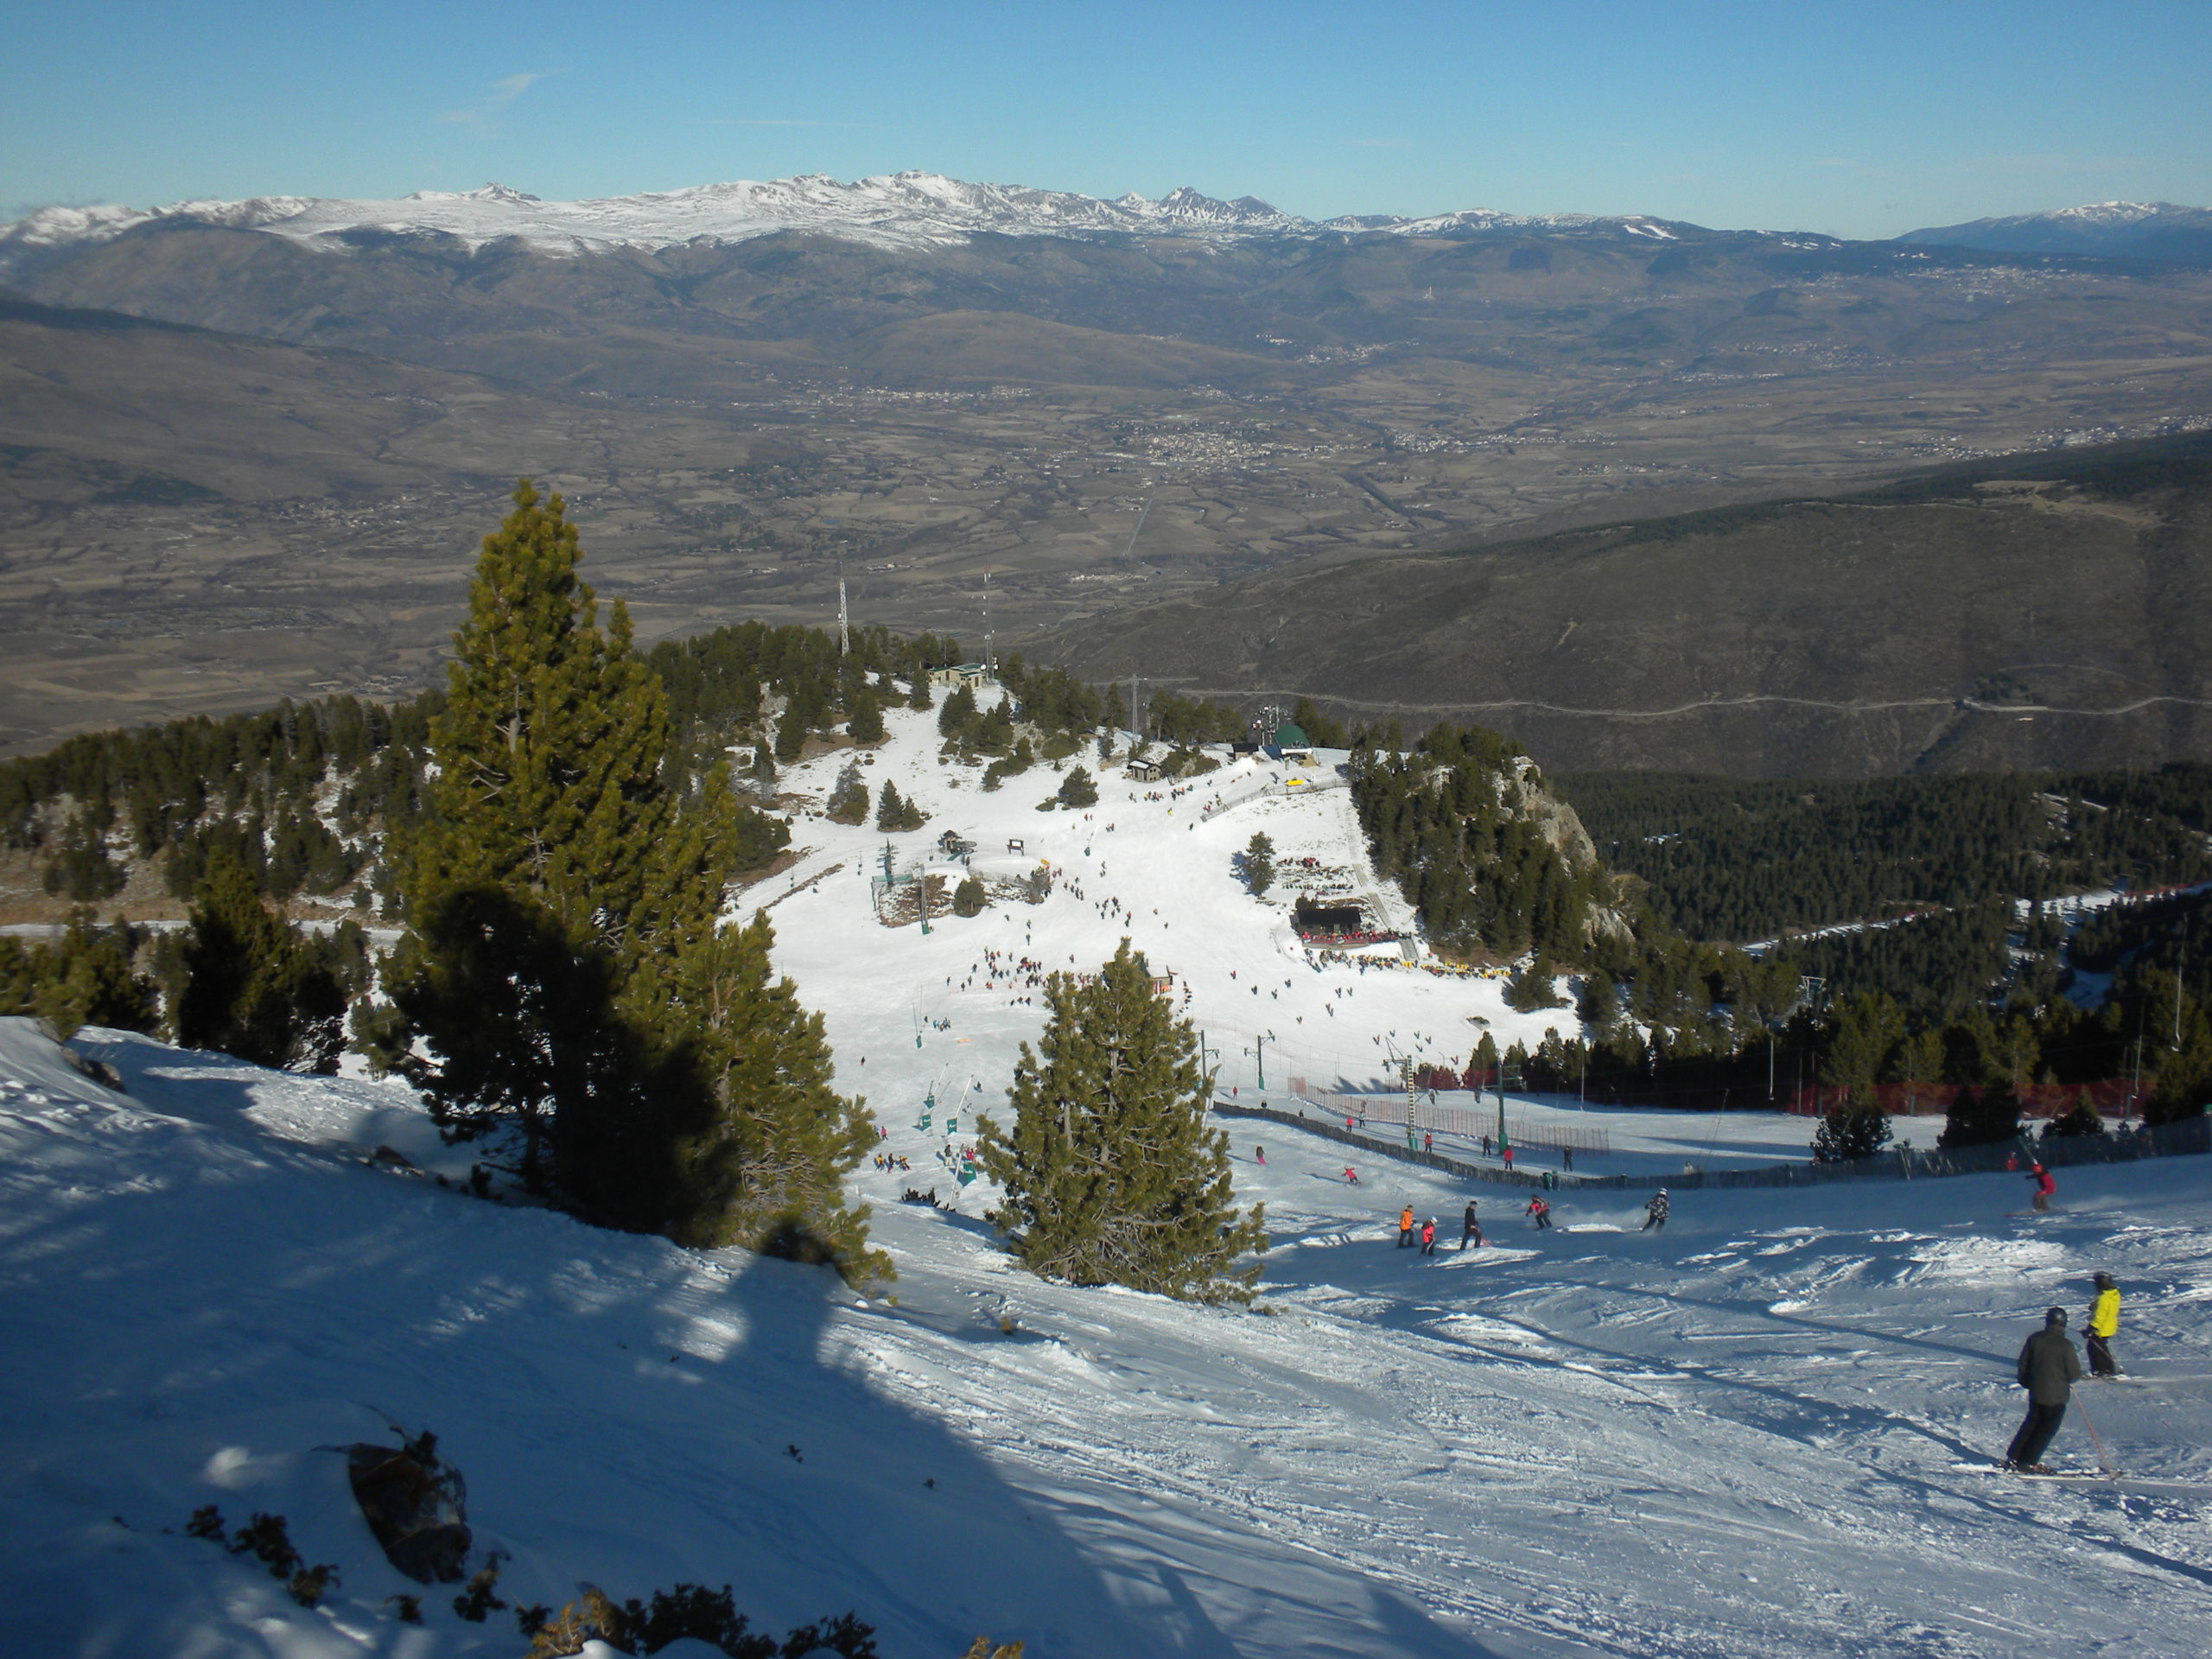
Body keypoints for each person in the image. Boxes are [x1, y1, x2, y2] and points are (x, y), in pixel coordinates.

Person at [2005, 1306, 2083, 1472]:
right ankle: (2028, 1461)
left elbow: (2023, 1363)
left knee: (2032, 1423)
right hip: (2056, 1396)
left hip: (2036, 1392)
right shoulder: (2066, 1345)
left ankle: (2015, 1455)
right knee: (2046, 1429)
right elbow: (2074, 1374)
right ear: (2064, 1323)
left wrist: (2026, 1382)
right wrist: (2068, 1378)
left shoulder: (2035, 1339)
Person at [2086, 1272, 2123, 1377]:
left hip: (2100, 1328)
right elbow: (2106, 1307)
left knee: (2095, 1349)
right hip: (2109, 1326)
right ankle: (2106, 1369)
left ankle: (2101, 1370)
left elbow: (2100, 1315)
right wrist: (2093, 1306)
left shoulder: (2103, 1298)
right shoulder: (2113, 1294)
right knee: (2100, 1347)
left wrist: (2091, 1328)